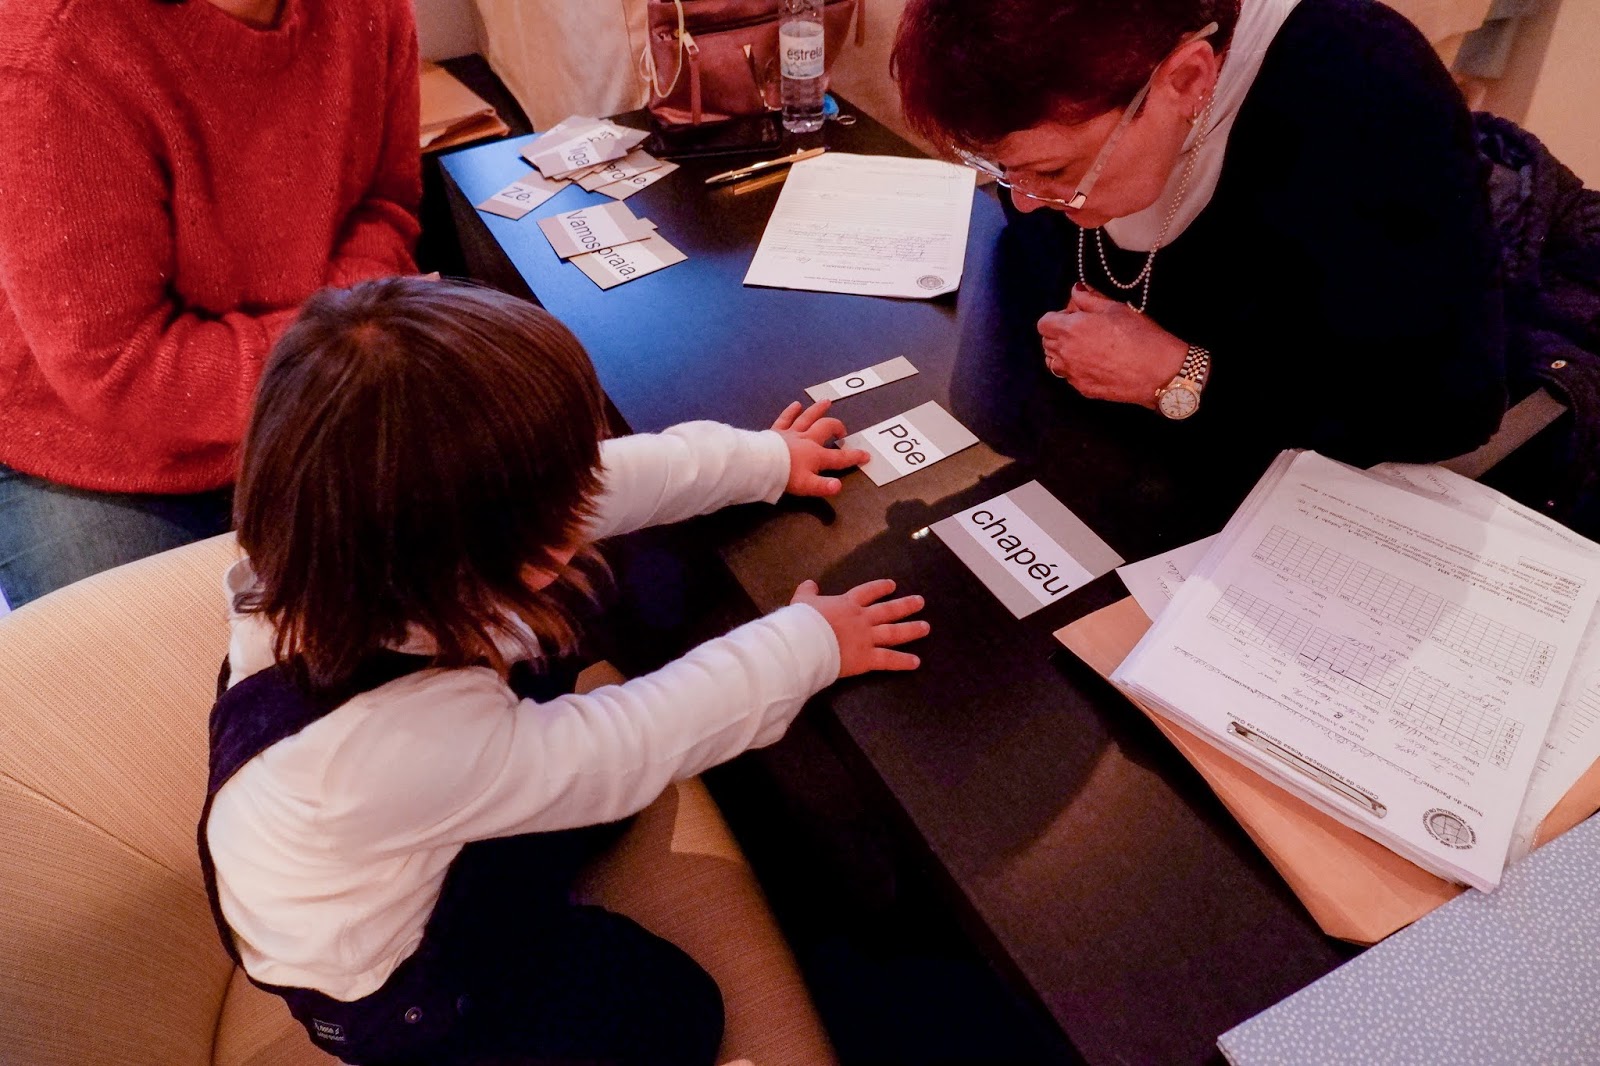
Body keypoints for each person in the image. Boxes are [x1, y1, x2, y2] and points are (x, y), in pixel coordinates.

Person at [200, 277, 928, 1065]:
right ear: (473, 551)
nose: (585, 497)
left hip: (408, 825)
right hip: (405, 992)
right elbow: (631, 743)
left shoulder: (350, 544)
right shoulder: (391, 745)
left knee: (572, 723)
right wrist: (809, 643)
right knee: (678, 1009)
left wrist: (764, 460)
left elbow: (599, 481)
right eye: (557, 508)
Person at [892, 0, 1508, 466]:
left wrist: (1181, 374)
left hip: (1271, 487)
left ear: (1187, 79)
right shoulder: (1046, 97)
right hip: (1100, 462)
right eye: (1003, 172)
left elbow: (1452, 406)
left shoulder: (1364, 90)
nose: (1025, 203)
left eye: (1053, 173)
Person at [0, 0, 421, 608]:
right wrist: (345, 343)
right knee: (183, 665)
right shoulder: (49, 54)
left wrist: (349, 341)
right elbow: (118, 370)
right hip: (90, 449)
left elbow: (385, 204)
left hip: (320, 387)